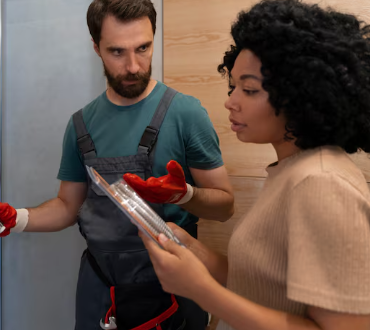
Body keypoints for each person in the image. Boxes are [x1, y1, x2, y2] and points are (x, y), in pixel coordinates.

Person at [0, 0, 235, 329]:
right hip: (100, 288)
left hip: (172, 286)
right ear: (96, 47)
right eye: (117, 52)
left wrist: (186, 194)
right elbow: (67, 207)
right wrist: (14, 219)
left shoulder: (186, 115)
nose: (133, 66)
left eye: (143, 48)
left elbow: (225, 208)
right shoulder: (81, 125)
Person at [130, 1, 370, 329]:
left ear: (300, 95)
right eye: (233, 87)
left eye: (249, 89)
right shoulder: (291, 170)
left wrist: (200, 291)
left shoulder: (321, 182)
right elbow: (262, 286)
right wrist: (194, 253)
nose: (231, 101)